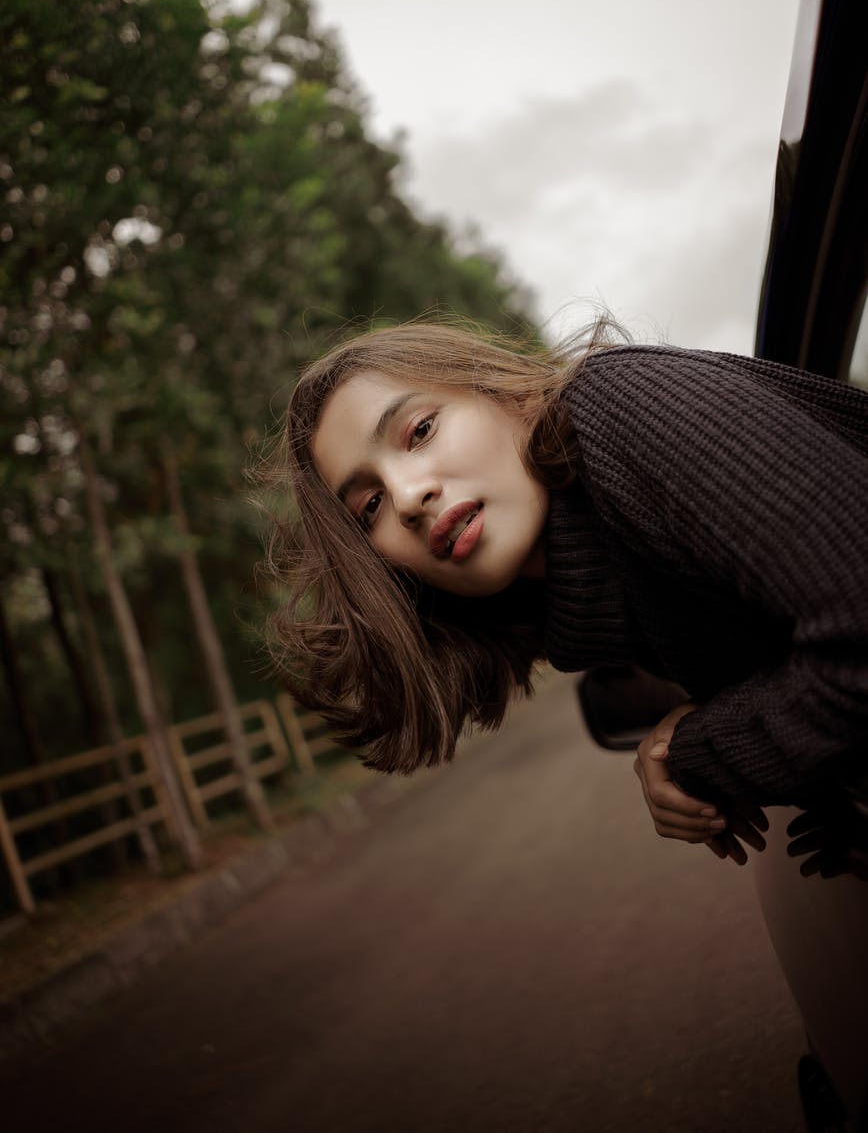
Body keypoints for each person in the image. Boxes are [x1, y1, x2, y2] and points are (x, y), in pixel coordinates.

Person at [260, 319, 868, 865]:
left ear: (510, 397)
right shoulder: (597, 601)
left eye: (419, 430)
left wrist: (698, 752)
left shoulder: (619, 401)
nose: (408, 496)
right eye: (369, 506)